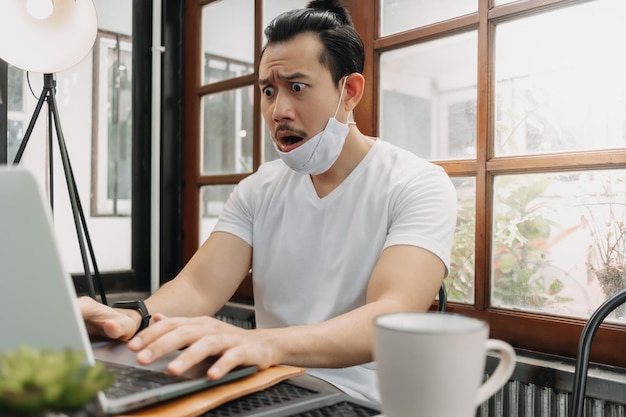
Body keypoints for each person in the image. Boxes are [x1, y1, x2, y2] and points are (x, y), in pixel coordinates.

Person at [79, 0, 457, 404]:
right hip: (270, 385)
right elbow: (198, 285)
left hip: (362, 400)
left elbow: (391, 314)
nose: (278, 111)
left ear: (349, 91)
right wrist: (133, 316)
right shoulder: (259, 188)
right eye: (268, 91)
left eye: (297, 87)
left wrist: (264, 343)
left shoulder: (417, 183)